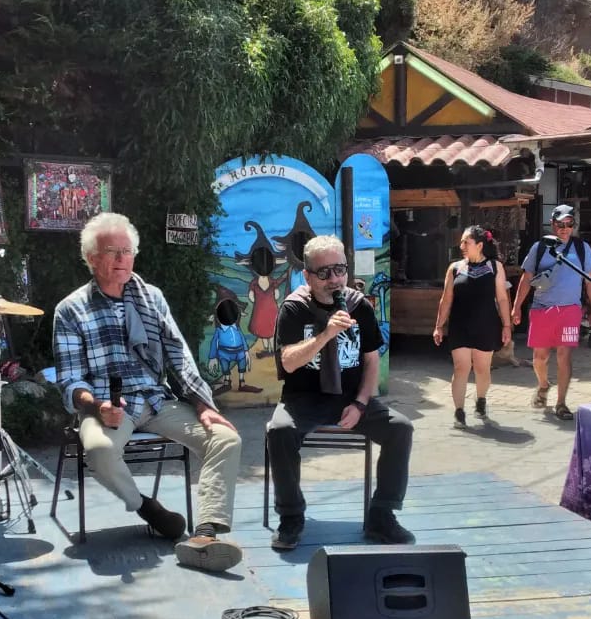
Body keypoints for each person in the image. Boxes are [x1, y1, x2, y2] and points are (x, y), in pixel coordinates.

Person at [53, 213, 243, 573]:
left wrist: (202, 404)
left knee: (225, 438)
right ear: (92, 258)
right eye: (112, 252)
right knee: (99, 451)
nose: (122, 259)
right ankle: (148, 508)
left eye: (127, 251)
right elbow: (70, 380)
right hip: (107, 405)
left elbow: (178, 354)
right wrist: (97, 406)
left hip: (156, 399)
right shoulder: (71, 309)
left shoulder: (151, 297)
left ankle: (206, 535)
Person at [267, 235, 414, 551]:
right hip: (304, 398)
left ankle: (382, 515)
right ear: (307, 276)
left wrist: (360, 403)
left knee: (400, 428)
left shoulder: (360, 306)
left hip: (350, 398)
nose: (334, 279)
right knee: (279, 432)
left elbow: (372, 361)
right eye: (324, 272)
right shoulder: (294, 308)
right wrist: (326, 334)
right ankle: (291, 516)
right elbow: (288, 362)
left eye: (340, 270)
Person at [511, 204, 591, 421]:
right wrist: (516, 307)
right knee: (540, 357)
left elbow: (590, 281)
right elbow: (526, 278)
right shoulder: (540, 247)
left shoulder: (582, 248)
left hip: (570, 309)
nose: (565, 228)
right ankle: (543, 385)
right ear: (552, 224)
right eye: (560, 224)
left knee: (564, 355)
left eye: (569, 224)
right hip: (542, 308)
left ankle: (561, 403)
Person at [432, 225, 512, 426]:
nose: (462, 246)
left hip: (486, 325)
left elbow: (502, 299)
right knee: (461, 367)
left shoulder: (494, 267)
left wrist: (506, 326)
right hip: (460, 325)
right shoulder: (455, 268)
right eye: (461, 242)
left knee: (482, 368)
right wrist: (439, 325)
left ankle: (481, 400)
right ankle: (459, 412)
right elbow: (446, 299)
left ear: (479, 245)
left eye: (466, 242)